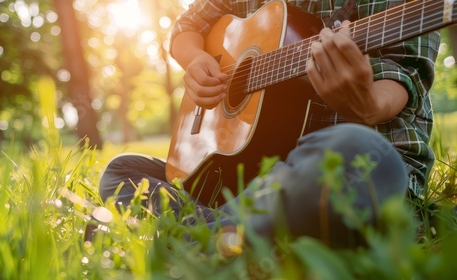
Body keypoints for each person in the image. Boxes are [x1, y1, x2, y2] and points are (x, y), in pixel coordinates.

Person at [98, 0, 439, 248]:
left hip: (338, 165)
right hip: (252, 172)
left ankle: (197, 232)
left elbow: (405, 73)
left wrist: (365, 103)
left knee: (360, 153)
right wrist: (198, 59)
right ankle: (228, 229)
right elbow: (188, 27)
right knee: (122, 170)